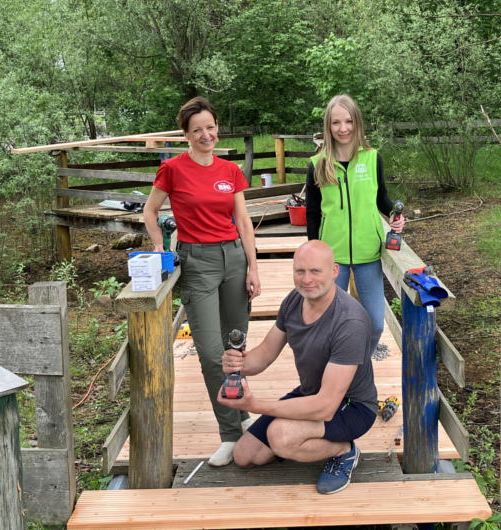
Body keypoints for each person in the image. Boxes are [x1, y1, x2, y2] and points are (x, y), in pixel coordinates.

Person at [143, 97, 261, 466]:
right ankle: (230, 435)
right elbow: (150, 211)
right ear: (186, 135)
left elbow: (243, 223)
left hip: (234, 259)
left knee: (235, 347)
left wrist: (253, 268)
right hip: (197, 262)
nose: (206, 134)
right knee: (212, 354)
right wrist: (161, 247)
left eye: (210, 127)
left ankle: (241, 415)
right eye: (197, 130)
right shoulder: (173, 170)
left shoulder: (230, 170)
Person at [218, 240, 378, 494]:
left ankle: (345, 450)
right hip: (311, 393)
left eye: (316, 271)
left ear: (334, 272)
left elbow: (325, 407)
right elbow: (266, 353)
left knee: (281, 438)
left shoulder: (350, 322)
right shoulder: (294, 300)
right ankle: (308, 440)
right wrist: (240, 363)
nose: (306, 279)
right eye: (300, 271)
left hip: (351, 406)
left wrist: (254, 406)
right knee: (245, 455)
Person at [304, 94, 405, 355]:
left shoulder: (373, 159)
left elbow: (381, 197)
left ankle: (359, 369)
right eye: (336, 123)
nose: (343, 128)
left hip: (367, 254)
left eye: (348, 121)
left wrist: (394, 213)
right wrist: (313, 253)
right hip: (331, 259)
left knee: (373, 324)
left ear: (357, 122)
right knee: (329, 323)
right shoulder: (317, 165)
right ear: (328, 126)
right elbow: (313, 213)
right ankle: (333, 376)